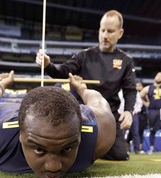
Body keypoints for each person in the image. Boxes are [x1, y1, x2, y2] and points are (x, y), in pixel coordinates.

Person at [0, 70, 116, 178]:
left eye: (67, 148)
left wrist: (81, 88)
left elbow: (96, 99)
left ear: (79, 135)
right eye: (39, 149)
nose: (53, 167)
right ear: (20, 135)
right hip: (15, 115)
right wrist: (1, 84)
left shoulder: (101, 134)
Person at [36, 10, 136, 161]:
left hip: (109, 113)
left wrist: (128, 111)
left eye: (110, 31)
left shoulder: (126, 60)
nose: (105, 35)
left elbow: (130, 90)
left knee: (120, 155)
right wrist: (48, 64)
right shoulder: (84, 55)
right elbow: (61, 72)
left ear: (120, 33)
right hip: (83, 112)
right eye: (102, 30)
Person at [118, 89, 142, 154]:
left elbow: (139, 103)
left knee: (135, 132)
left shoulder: (135, 92)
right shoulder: (119, 92)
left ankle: (137, 150)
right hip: (121, 114)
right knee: (121, 132)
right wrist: (120, 112)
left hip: (133, 114)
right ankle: (121, 149)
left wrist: (134, 112)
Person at [136, 82, 148, 152]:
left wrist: (141, 99)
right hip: (135, 114)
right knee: (133, 132)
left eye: (139, 86)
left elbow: (148, 104)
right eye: (136, 86)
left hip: (143, 115)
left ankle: (139, 147)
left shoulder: (145, 96)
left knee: (141, 132)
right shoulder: (133, 94)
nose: (138, 87)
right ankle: (127, 146)